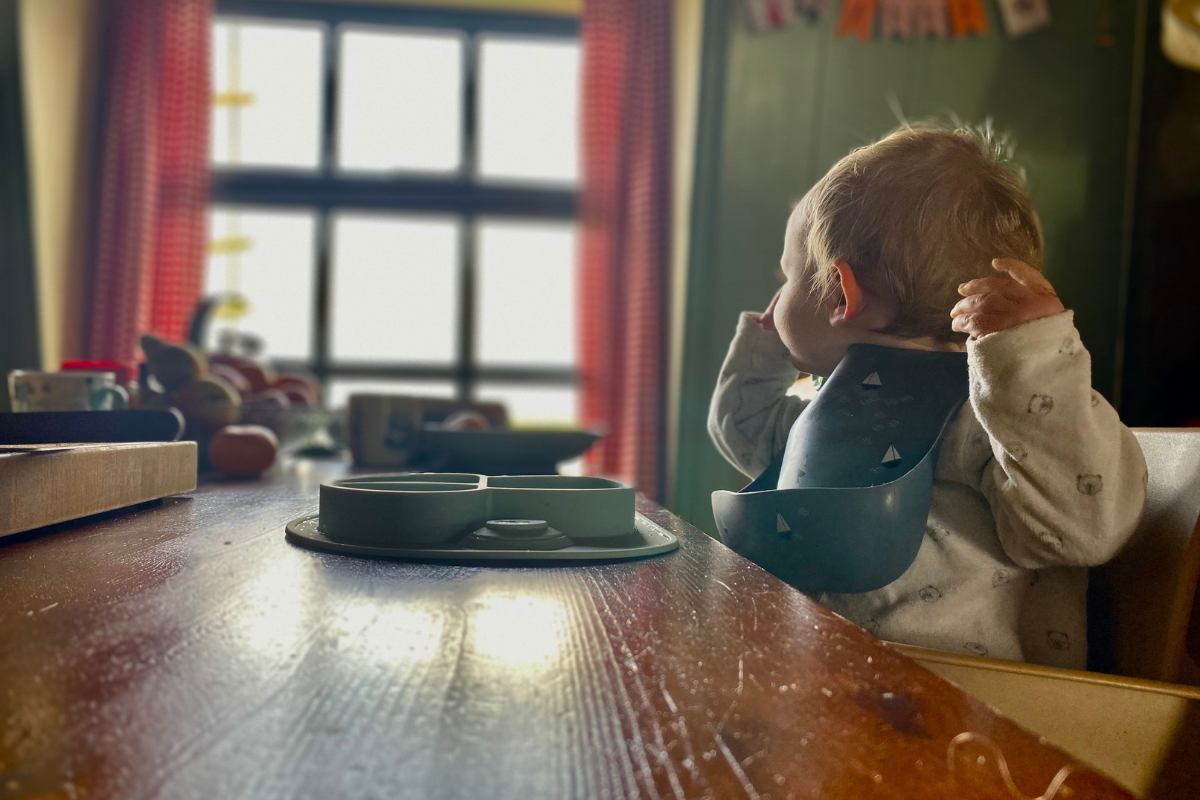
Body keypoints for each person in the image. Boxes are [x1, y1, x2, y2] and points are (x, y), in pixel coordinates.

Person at [708, 123, 1146, 669]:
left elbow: (1084, 530)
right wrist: (768, 338)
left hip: (967, 713)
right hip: (826, 686)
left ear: (842, 293)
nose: (775, 300)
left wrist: (1030, 360)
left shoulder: (994, 418)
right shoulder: (829, 410)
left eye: (788, 277)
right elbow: (746, 428)